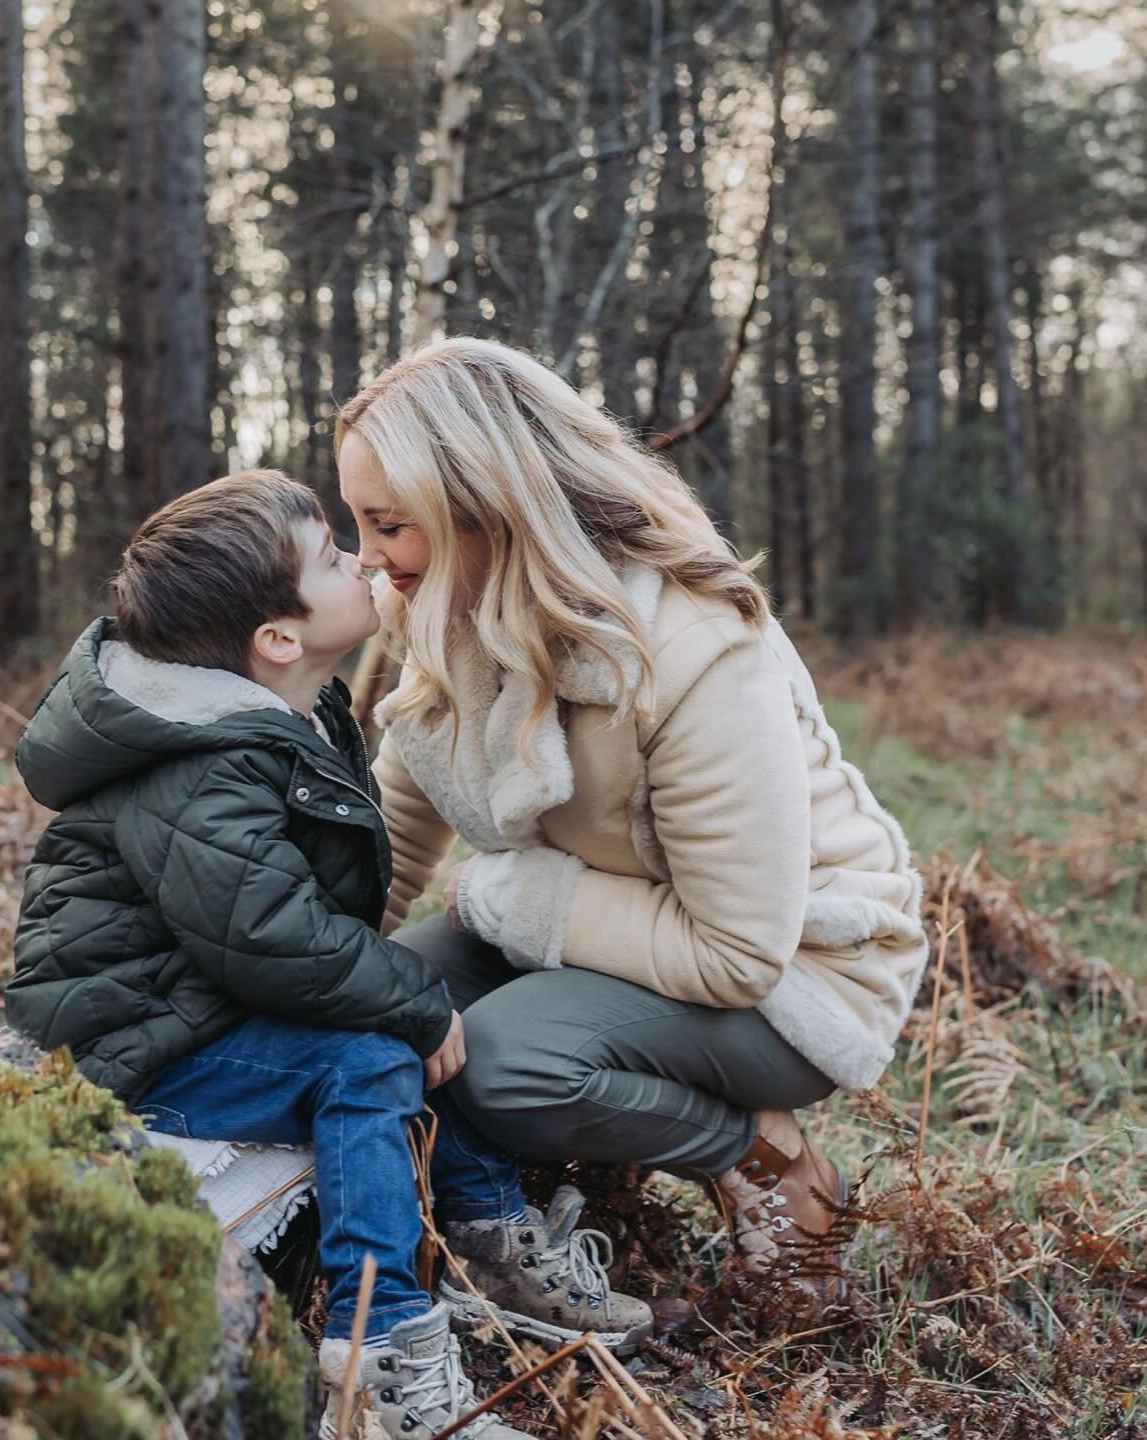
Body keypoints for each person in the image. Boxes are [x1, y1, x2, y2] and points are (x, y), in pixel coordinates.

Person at [3, 470, 647, 1440]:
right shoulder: (203, 758)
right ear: (278, 638)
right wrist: (412, 999)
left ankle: (482, 1235)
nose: (362, 557)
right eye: (332, 557)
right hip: (138, 1046)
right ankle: (381, 1358)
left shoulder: (298, 717)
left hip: (207, 1005)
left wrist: (403, 996)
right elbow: (266, 935)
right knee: (375, 1051)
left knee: (405, 1032)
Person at [336, 339, 930, 1300]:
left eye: (388, 524)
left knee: (500, 1063)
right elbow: (398, 840)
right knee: (395, 1004)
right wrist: (295, 966)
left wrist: (517, 892)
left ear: (485, 504)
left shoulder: (689, 645)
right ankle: (508, 1210)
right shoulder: (444, 605)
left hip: (793, 974)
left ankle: (758, 1155)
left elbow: (740, 952)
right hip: (621, 922)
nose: (366, 557)